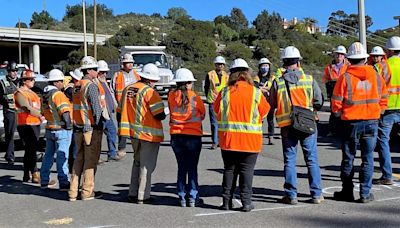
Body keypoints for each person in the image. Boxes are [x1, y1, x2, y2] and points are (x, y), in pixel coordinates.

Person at [331, 42, 388, 203]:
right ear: (365, 58)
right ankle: (365, 193)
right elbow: (384, 98)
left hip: (351, 123)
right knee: (368, 158)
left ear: (349, 59)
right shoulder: (376, 76)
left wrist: (338, 115)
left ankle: (347, 192)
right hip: (371, 121)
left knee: (348, 158)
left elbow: (336, 104)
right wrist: (378, 112)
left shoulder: (345, 78)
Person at [269, 46, 324, 205]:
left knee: (290, 160)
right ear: (298, 62)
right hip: (307, 123)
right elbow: (319, 101)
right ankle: (316, 194)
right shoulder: (309, 79)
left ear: (284, 63)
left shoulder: (278, 82)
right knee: (312, 159)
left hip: (288, 125)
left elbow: (271, 103)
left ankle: (291, 195)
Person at [214, 58, 270, 212]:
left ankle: (226, 202)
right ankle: (246, 203)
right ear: (247, 73)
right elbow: (264, 112)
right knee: (247, 171)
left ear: (231, 74)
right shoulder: (256, 92)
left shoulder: (224, 92)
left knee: (229, 170)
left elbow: (216, 110)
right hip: (250, 141)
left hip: (229, 140)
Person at [119, 63, 166, 204]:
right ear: (150, 79)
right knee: (146, 166)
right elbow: (159, 115)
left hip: (133, 132)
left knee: (137, 162)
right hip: (148, 134)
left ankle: (132, 192)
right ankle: (143, 195)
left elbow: (120, 110)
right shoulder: (149, 92)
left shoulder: (128, 89)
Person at [168, 68, 205, 207]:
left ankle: (182, 196)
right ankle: (193, 196)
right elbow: (202, 115)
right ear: (189, 83)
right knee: (192, 168)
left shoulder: (171, 96)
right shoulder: (195, 97)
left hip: (177, 137)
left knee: (182, 167)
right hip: (193, 137)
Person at [69, 56, 103, 201]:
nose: (97, 72)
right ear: (89, 70)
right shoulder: (91, 86)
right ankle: (87, 192)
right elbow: (97, 109)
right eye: (95, 69)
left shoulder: (77, 86)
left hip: (78, 127)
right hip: (90, 128)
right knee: (90, 161)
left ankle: (72, 192)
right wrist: (100, 124)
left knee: (78, 160)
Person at [40, 69, 73, 190]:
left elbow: (43, 112)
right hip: (61, 130)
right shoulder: (58, 95)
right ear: (56, 82)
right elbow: (65, 112)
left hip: (50, 129)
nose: (63, 84)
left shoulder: (44, 96)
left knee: (48, 156)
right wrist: (69, 126)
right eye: (61, 81)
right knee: (62, 156)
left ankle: (44, 180)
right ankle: (64, 182)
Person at [374, 36, 400, 186]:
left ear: (388, 50)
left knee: (383, 141)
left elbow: (376, 88)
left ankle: (387, 175)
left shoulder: (382, 66)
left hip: (387, 109)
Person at [15, 70, 44, 183]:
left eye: (33, 79)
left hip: (35, 124)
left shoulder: (33, 93)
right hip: (25, 124)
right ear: (24, 81)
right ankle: (35, 174)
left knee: (29, 150)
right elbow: (26, 107)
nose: (33, 81)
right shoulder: (19, 93)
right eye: (31, 79)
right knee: (31, 150)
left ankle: (26, 174)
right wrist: (40, 115)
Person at [112, 53, 141, 158]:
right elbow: (112, 91)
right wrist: (116, 105)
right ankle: (121, 148)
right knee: (122, 128)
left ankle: (136, 147)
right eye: (127, 63)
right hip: (121, 107)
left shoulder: (136, 75)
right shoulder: (117, 75)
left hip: (133, 107)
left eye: (131, 63)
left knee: (135, 127)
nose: (129, 65)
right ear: (123, 64)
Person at [97, 60, 120, 161]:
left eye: (105, 72)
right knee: (97, 137)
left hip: (107, 113)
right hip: (102, 114)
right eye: (102, 72)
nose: (105, 74)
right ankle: (96, 157)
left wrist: (115, 106)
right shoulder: (95, 83)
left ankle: (112, 153)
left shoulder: (104, 81)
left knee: (112, 131)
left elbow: (110, 94)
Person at [323, 45, 349, 136]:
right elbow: (325, 79)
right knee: (334, 111)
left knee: (345, 111)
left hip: (345, 92)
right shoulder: (329, 67)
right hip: (333, 92)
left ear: (344, 56)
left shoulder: (348, 66)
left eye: (341, 54)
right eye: (338, 54)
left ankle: (343, 130)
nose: (339, 56)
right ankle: (332, 130)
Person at [204, 56, 229, 150]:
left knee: (223, 123)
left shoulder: (226, 76)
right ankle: (215, 142)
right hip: (213, 101)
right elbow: (206, 87)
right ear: (215, 65)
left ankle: (221, 140)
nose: (220, 66)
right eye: (218, 64)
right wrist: (208, 98)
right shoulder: (210, 74)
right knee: (214, 123)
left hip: (223, 101)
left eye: (222, 64)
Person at [0, 61, 19, 165]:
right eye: (12, 71)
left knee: (24, 134)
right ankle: (10, 156)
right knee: (10, 134)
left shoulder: (21, 82)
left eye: (16, 71)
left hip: (21, 112)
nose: (14, 73)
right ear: (8, 71)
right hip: (10, 112)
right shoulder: (2, 83)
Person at [65, 68, 83, 172]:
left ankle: (73, 167)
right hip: (73, 119)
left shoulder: (72, 87)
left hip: (73, 119)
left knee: (74, 146)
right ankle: (74, 168)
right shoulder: (71, 89)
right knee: (74, 147)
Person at [255, 57, 276, 145]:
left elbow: (275, 88)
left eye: (266, 65)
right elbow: (254, 87)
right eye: (263, 65)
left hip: (270, 102)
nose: (265, 67)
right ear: (259, 67)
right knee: (260, 120)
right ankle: (258, 137)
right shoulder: (256, 77)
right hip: (260, 102)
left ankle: (270, 137)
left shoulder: (272, 77)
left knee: (270, 120)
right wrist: (261, 88)